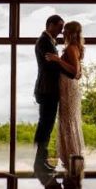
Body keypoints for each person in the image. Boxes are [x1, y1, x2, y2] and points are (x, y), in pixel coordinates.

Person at [33, 14, 73, 175]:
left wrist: (59, 60)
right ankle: (39, 163)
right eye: (59, 27)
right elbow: (51, 66)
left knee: (46, 126)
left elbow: (54, 63)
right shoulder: (44, 41)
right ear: (50, 25)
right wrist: (68, 68)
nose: (61, 31)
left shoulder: (48, 41)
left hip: (47, 89)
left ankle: (40, 161)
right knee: (45, 126)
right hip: (47, 89)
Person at [45, 21, 85, 171]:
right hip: (68, 88)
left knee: (68, 123)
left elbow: (75, 72)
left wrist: (57, 60)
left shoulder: (70, 48)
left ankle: (72, 158)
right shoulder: (75, 48)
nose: (62, 34)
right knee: (68, 122)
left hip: (68, 89)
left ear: (70, 33)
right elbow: (79, 73)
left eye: (65, 31)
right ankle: (72, 159)